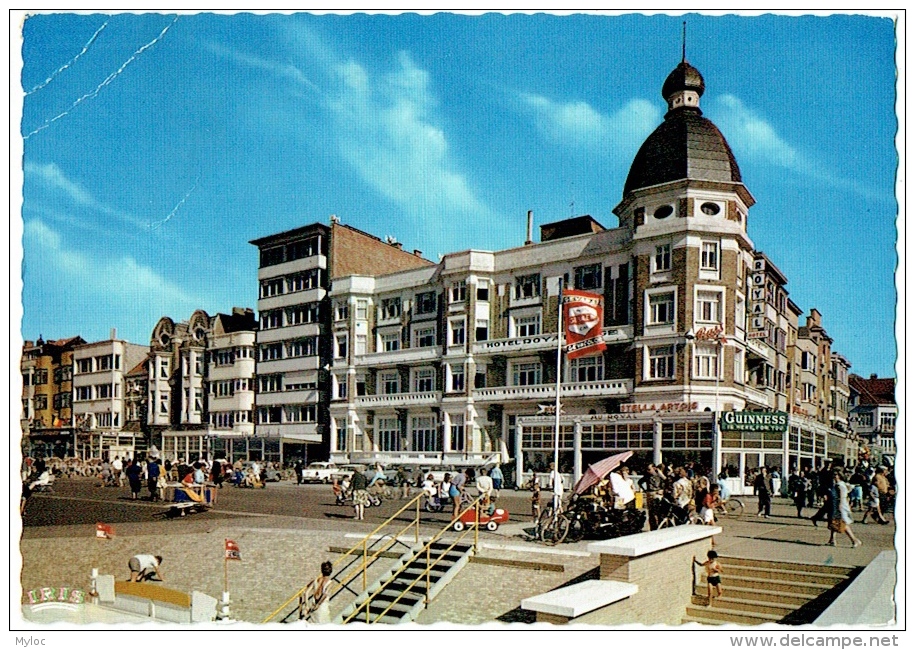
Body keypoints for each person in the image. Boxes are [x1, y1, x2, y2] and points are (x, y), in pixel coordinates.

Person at [826, 471, 862, 548]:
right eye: (833, 475)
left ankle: (854, 540)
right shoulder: (841, 484)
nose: (834, 476)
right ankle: (832, 540)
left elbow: (840, 497)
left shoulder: (839, 485)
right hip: (840, 505)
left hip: (840, 506)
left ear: (839, 476)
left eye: (835, 475)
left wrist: (839, 507)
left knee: (843, 523)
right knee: (834, 522)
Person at [639, 464, 665, 531]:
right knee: (651, 512)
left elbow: (665, 481)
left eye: (649, 469)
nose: (648, 471)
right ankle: (653, 527)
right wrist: (645, 490)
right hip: (650, 493)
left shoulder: (659, 475)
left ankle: (660, 526)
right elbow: (640, 482)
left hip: (658, 493)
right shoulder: (647, 476)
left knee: (659, 511)